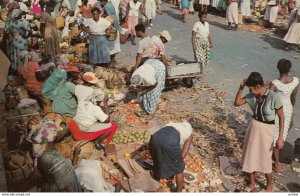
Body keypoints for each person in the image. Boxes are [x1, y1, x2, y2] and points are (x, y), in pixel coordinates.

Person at [234, 72, 284, 192]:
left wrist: (280, 138)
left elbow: (282, 117)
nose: (249, 91)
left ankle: (270, 184)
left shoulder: (273, 97)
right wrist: (240, 88)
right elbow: (237, 103)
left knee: (265, 158)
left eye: (251, 88)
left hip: (267, 130)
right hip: (254, 128)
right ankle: (252, 182)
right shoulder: (251, 96)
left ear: (257, 87)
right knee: (250, 156)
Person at [270, 59, 299, 172]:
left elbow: (269, 99)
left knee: (276, 135)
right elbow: (293, 97)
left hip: (277, 110)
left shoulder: (275, 84)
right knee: (283, 133)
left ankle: (276, 163)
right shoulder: (295, 81)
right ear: (289, 68)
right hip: (288, 109)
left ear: (278, 68)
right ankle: (276, 160)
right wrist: (290, 107)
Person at [149, 121, 193, 192]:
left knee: (158, 158)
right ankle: (179, 192)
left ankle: (158, 176)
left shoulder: (171, 124)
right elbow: (185, 151)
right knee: (179, 170)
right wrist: (177, 163)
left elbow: (161, 141)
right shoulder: (189, 134)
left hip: (154, 138)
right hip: (169, 141)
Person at [101, 0, 121, 66]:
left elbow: (110, 17)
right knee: (115, 43)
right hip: (116, 21)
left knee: (111, 45)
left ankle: (109, 61)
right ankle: (113, 59)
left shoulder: (106, 6)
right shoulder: (110, 4)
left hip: (112, 24)